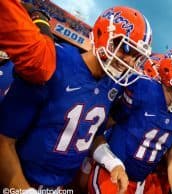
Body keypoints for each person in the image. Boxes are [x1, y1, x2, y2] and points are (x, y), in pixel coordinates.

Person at [0, 1, 152, 193]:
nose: (129, 60)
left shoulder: (113, 84)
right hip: (20, 182)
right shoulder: (54, 64)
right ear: (100, 35)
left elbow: (89, 133)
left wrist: (112, 162)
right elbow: (4, 141)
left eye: (136, 55)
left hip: (61, 186)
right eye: (125, 49)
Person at [87, 47, 172, 194]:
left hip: (140, 182)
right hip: (110, 173)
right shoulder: (141, 87)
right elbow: (103, 123)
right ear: (169, 68)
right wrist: (102, 157)